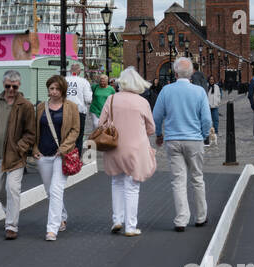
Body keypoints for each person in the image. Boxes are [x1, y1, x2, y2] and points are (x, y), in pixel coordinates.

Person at [152, 56, 213, 233]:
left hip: (173, 139)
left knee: (178, 180)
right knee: (197, 178)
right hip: (194, 139)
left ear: (175, 73)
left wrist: (159, 134)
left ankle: (181, 219)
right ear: (192, 73)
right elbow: (207, 119)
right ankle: (201, 216)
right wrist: (202, 135)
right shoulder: (199, 92)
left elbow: (156, 116)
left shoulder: (166, 91)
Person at [96, 66, 157, 236]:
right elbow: (151, 128)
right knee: (132, 186)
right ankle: (130, 226)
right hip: (135, 149)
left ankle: (117, 219)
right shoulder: (142, 102)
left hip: (114, 147)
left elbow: (101, 123)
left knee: (116, 182)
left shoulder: (112, 99)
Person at [0, 70, 37, 240]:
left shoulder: (25, 106)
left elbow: (31, 133)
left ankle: (11, 225)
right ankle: (10, 213)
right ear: (3, 85)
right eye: (7, 86)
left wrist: (20, 147)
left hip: (15, 156)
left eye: (14, 86)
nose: (11, 89)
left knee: (12, 189)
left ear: (19, 86)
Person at [34, 75, 80, 241]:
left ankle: (51, 229)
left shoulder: (71, 107)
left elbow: (75, 130)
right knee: (49, 191)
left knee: (55, 189)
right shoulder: (40, 107)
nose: (53, 92)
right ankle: (61, 216)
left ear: (63, 90)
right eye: (51, 88)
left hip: (62, 154)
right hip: (43, 154)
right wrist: (34, 148)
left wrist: (63, 148)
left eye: (56, 89)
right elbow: (34, 129)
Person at [63, 63, 92, 152]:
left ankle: (65, 155)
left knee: (65, 134)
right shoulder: (84, 82)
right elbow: (88, 99)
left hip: (64, 111)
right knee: (78, 136)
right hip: (79, 112)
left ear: (70, 71)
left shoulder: (64, 80)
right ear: (79, 71)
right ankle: (76, 158)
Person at [89, 72, 115, 136]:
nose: (102, 83)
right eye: (101, 81)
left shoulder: (111, 89)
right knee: (96, 124)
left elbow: (113, 99)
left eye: (104, 82)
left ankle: (103, 138)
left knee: (105, 126)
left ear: (107, 82)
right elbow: (89, 93)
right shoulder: (95, 87)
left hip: (106, 109)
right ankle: (95, 138)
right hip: (95, 109)